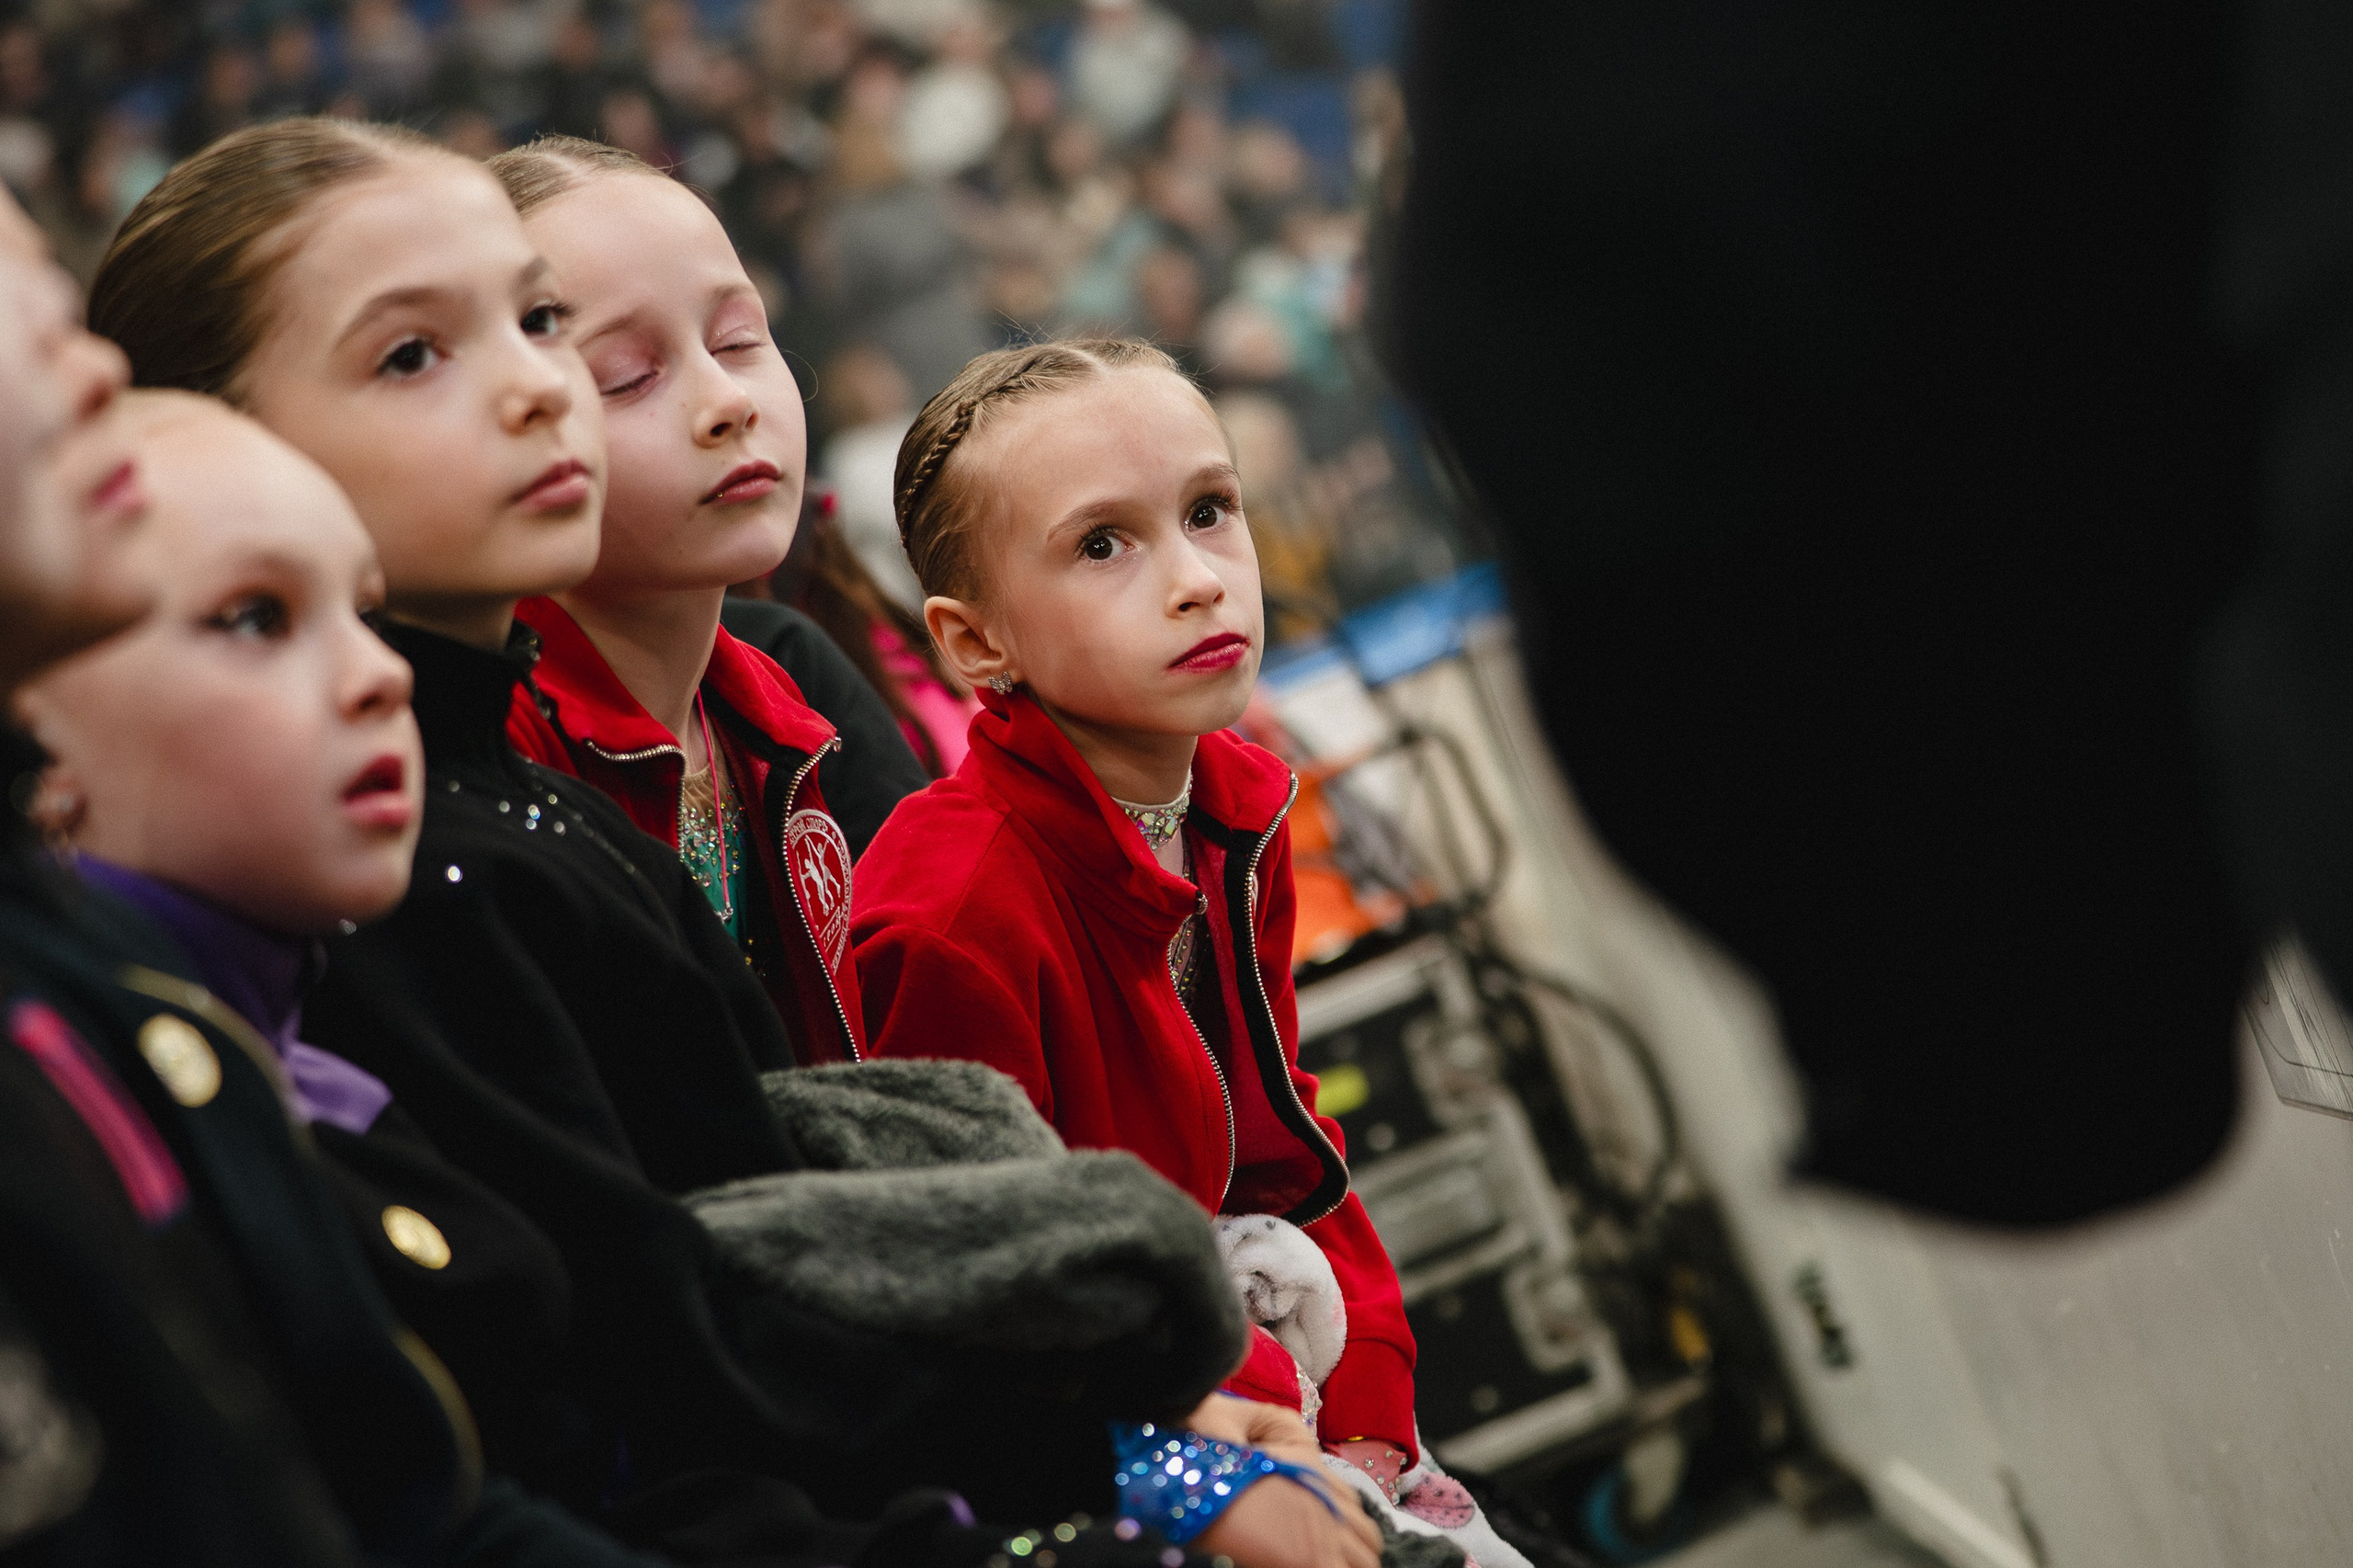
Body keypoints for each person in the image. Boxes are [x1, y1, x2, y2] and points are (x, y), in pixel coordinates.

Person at [88, 120, 1379, 1568]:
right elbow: (675, 1343)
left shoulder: (780, 701)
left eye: (532, 326)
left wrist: (1211, 1409)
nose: (535, 389)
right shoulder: (412, 849)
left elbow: (890, 1193)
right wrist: (1131, 1472)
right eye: (614, 369)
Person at [12, 389, 669, 1567]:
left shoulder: (279, 1030)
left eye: (366, 613)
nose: (380, 678)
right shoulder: (116, 1065)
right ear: (34, 740)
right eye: (256, 617)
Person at [850, 340, 1419, 1503]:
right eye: (1102, 543)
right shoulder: (950, 912)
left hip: (1268, 1382)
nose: (1198, 578)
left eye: (1210, 510)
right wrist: (1264, 1446)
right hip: (1134, 1437)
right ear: (972, 642)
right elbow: (1016, 1290)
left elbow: (1286, 1149)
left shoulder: (1229, 800)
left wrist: (1367, 1408)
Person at [479, 134, 859, 1055]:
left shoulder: (777, 711)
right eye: (630, 377)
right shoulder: (495, 755)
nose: (726, 399)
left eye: (738, 339)